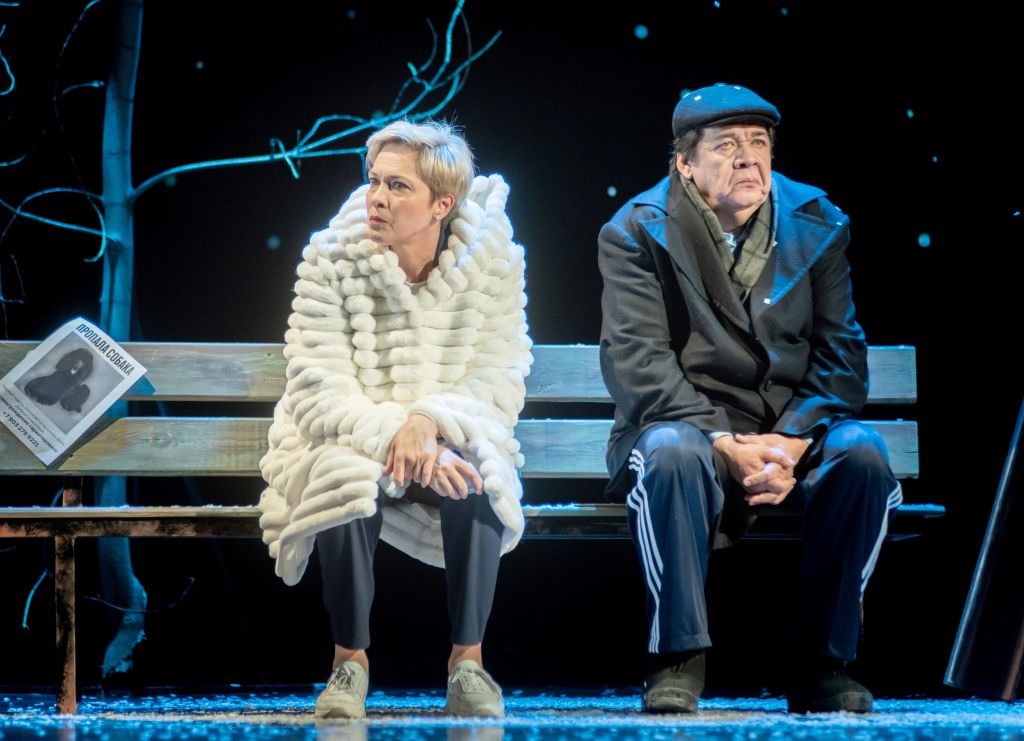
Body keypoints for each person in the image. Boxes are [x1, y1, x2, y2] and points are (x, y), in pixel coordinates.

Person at [597, 84, 902, 714]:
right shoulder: (635, 230)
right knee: (669, 453)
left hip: (792, 429)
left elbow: (842, 357)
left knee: (863, 454)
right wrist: (724, 442)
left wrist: (790, 442)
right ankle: (676, 659)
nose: (747, 158)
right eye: (726, 145)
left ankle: (824, 663)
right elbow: (638, 361)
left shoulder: (817, 221)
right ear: (684, 162)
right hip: (689, 424)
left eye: (758, 143)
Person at [258, 120, 533, 719]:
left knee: (480, 472)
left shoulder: (493, 262)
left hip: (446, 435)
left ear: (442, 204)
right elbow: (318, 385)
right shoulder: (331, 257)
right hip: (349, 437)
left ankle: (468, 664)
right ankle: (348, 664)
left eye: (398, 186)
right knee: (344, 478)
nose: (377, 197)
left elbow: (500, 375)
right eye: (374, 180)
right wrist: (395, 433)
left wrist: (430, 423)